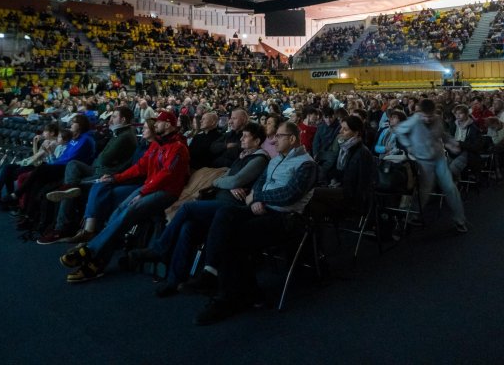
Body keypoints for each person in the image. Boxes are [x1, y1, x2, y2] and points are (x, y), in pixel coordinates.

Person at [182, 121, 316, 325]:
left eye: (278, 136)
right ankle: (212, 274)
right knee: (225, 213)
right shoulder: (275, 159)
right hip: (261, 209)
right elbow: (261, 182)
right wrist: (256, 198)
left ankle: (229, 297)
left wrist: (259, 197)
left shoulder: (307, 164)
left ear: (291, 139)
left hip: (285, 219)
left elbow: (289, 194)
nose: (273, 139)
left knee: (234, 236)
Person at [123, 122, 270, 297]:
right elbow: (227, 178)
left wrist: (225, 183)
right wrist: (227, 184)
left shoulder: (259, 159)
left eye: (246, 136)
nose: (241, 139)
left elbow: (234, 180)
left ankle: (160, 249)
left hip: (231, 209)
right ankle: (174, 280)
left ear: (257, 140)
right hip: (219, 202)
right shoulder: (243, 155)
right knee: (188, 227)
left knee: (187, 209)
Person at [60, 110, 189, 283]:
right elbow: (140, 167)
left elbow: (166, 174)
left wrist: (143, 192)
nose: (155, 124)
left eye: (158, 122)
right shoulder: (157, 145)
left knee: (130, 212)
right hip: (150, 187)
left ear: (167, 125)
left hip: (166, 192)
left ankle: (90, 251)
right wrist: (115, 178)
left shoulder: (179, 147)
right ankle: (97, 263)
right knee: (118, 212)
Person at [38, 107, 139, 243]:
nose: (110, 120)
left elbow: (105, 158)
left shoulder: (125, 136)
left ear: (123, 119)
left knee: (72, 187)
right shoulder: (118, 133)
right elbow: (103, 157)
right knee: (73, 164)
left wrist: (101, 158)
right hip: (97, 168)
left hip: (106, 173)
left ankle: (61, 228)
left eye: (114, 117)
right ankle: (70, 186)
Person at [396, 99, 468, 233]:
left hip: (439, 158)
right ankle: (413, 215)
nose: (428, 119)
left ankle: (460, 220)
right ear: (419, 113)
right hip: (424, 161)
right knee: (424, 191)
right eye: (425, 116)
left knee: (451, 188)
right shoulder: (414, 121)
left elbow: (442, 135)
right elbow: (399, 130)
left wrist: (451, 143)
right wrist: (409, 145)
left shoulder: (437, 120)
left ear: (434, 112)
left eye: (430, 116)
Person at [307, 115, 375, 222]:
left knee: (312, 194)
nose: (340, 131)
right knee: (310, 195)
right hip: (341, 187)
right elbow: (339, 171)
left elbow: (361, 184)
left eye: (345, 129)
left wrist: (334, 184)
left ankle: (316, 229)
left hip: (350, 195)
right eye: (341, 128)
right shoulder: (345, 147)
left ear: (356, 133)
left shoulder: (362, 153)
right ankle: (316, 229)